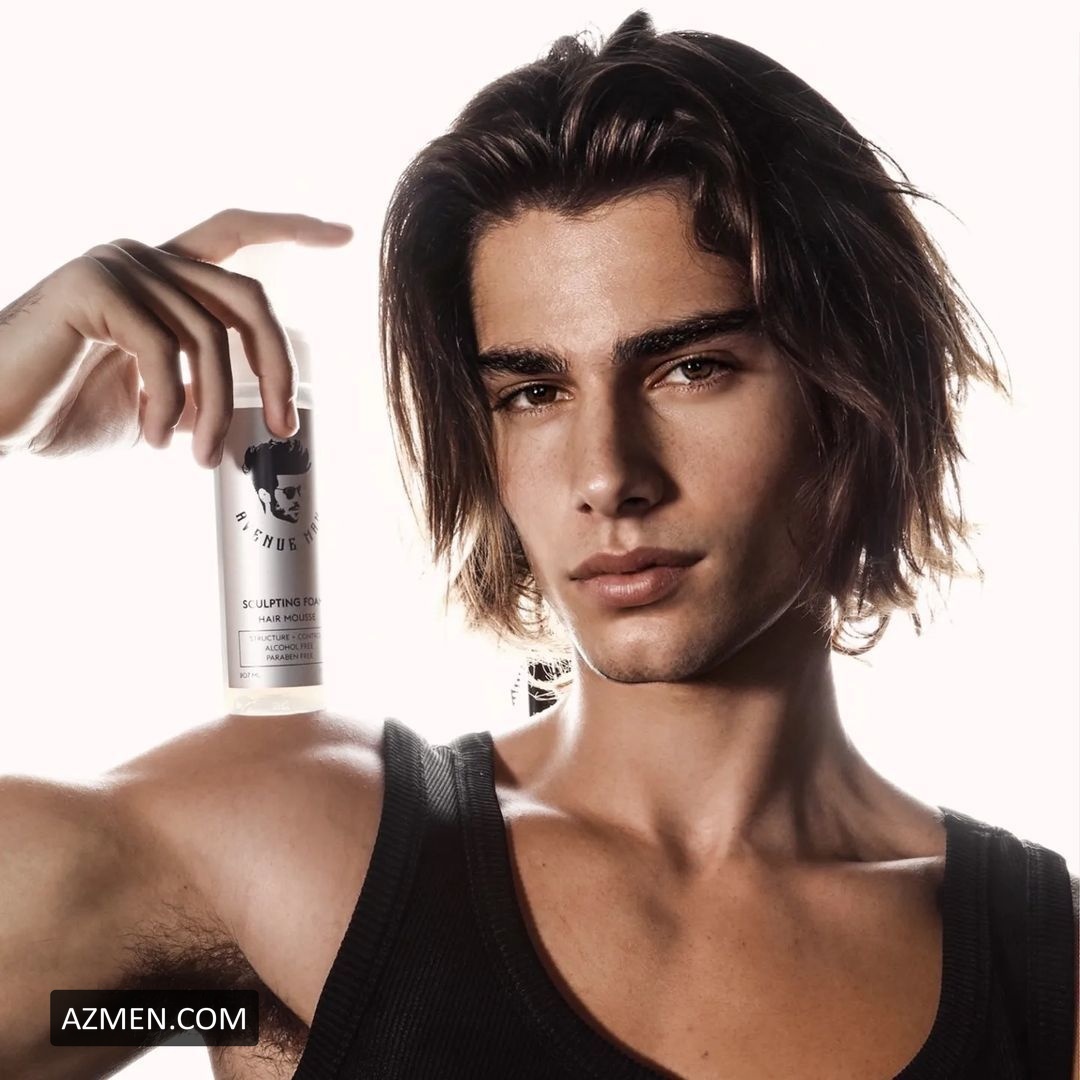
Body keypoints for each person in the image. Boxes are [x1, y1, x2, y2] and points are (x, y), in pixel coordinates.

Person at [0, 9, 1076, 1079]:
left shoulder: (1045, 975)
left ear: (857, 389)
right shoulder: (297, 868)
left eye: (690, 368)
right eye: (534, 391)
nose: (607, 476)